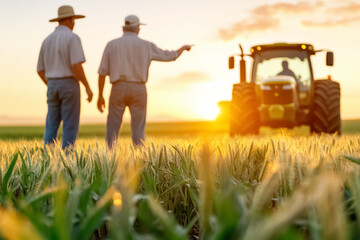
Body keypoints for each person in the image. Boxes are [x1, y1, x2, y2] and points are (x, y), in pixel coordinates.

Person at [97, 15, 192, 148]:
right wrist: (183, 48)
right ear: (137, 29)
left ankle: (108, 158)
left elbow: (102, 72)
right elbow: (169, 56)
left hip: (118, 88)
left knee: (112, 128)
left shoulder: (111, 45)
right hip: (139, 89)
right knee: (138, 131)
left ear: (124, 28)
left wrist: (100, 95)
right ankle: (140, 159)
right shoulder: (147, 45)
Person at [37, 5, 93, 149]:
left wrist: (50, 83)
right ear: (70, 19)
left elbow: (40, 70)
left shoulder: (46, 40)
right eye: (73, 20)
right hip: (69, 83)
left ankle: (48, 158)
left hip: (51, 84)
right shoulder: (73, 38)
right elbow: (76, 65)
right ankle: (67, 158)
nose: (74, 23)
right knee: (70, 123)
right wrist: (87, 86)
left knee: (51, 123)